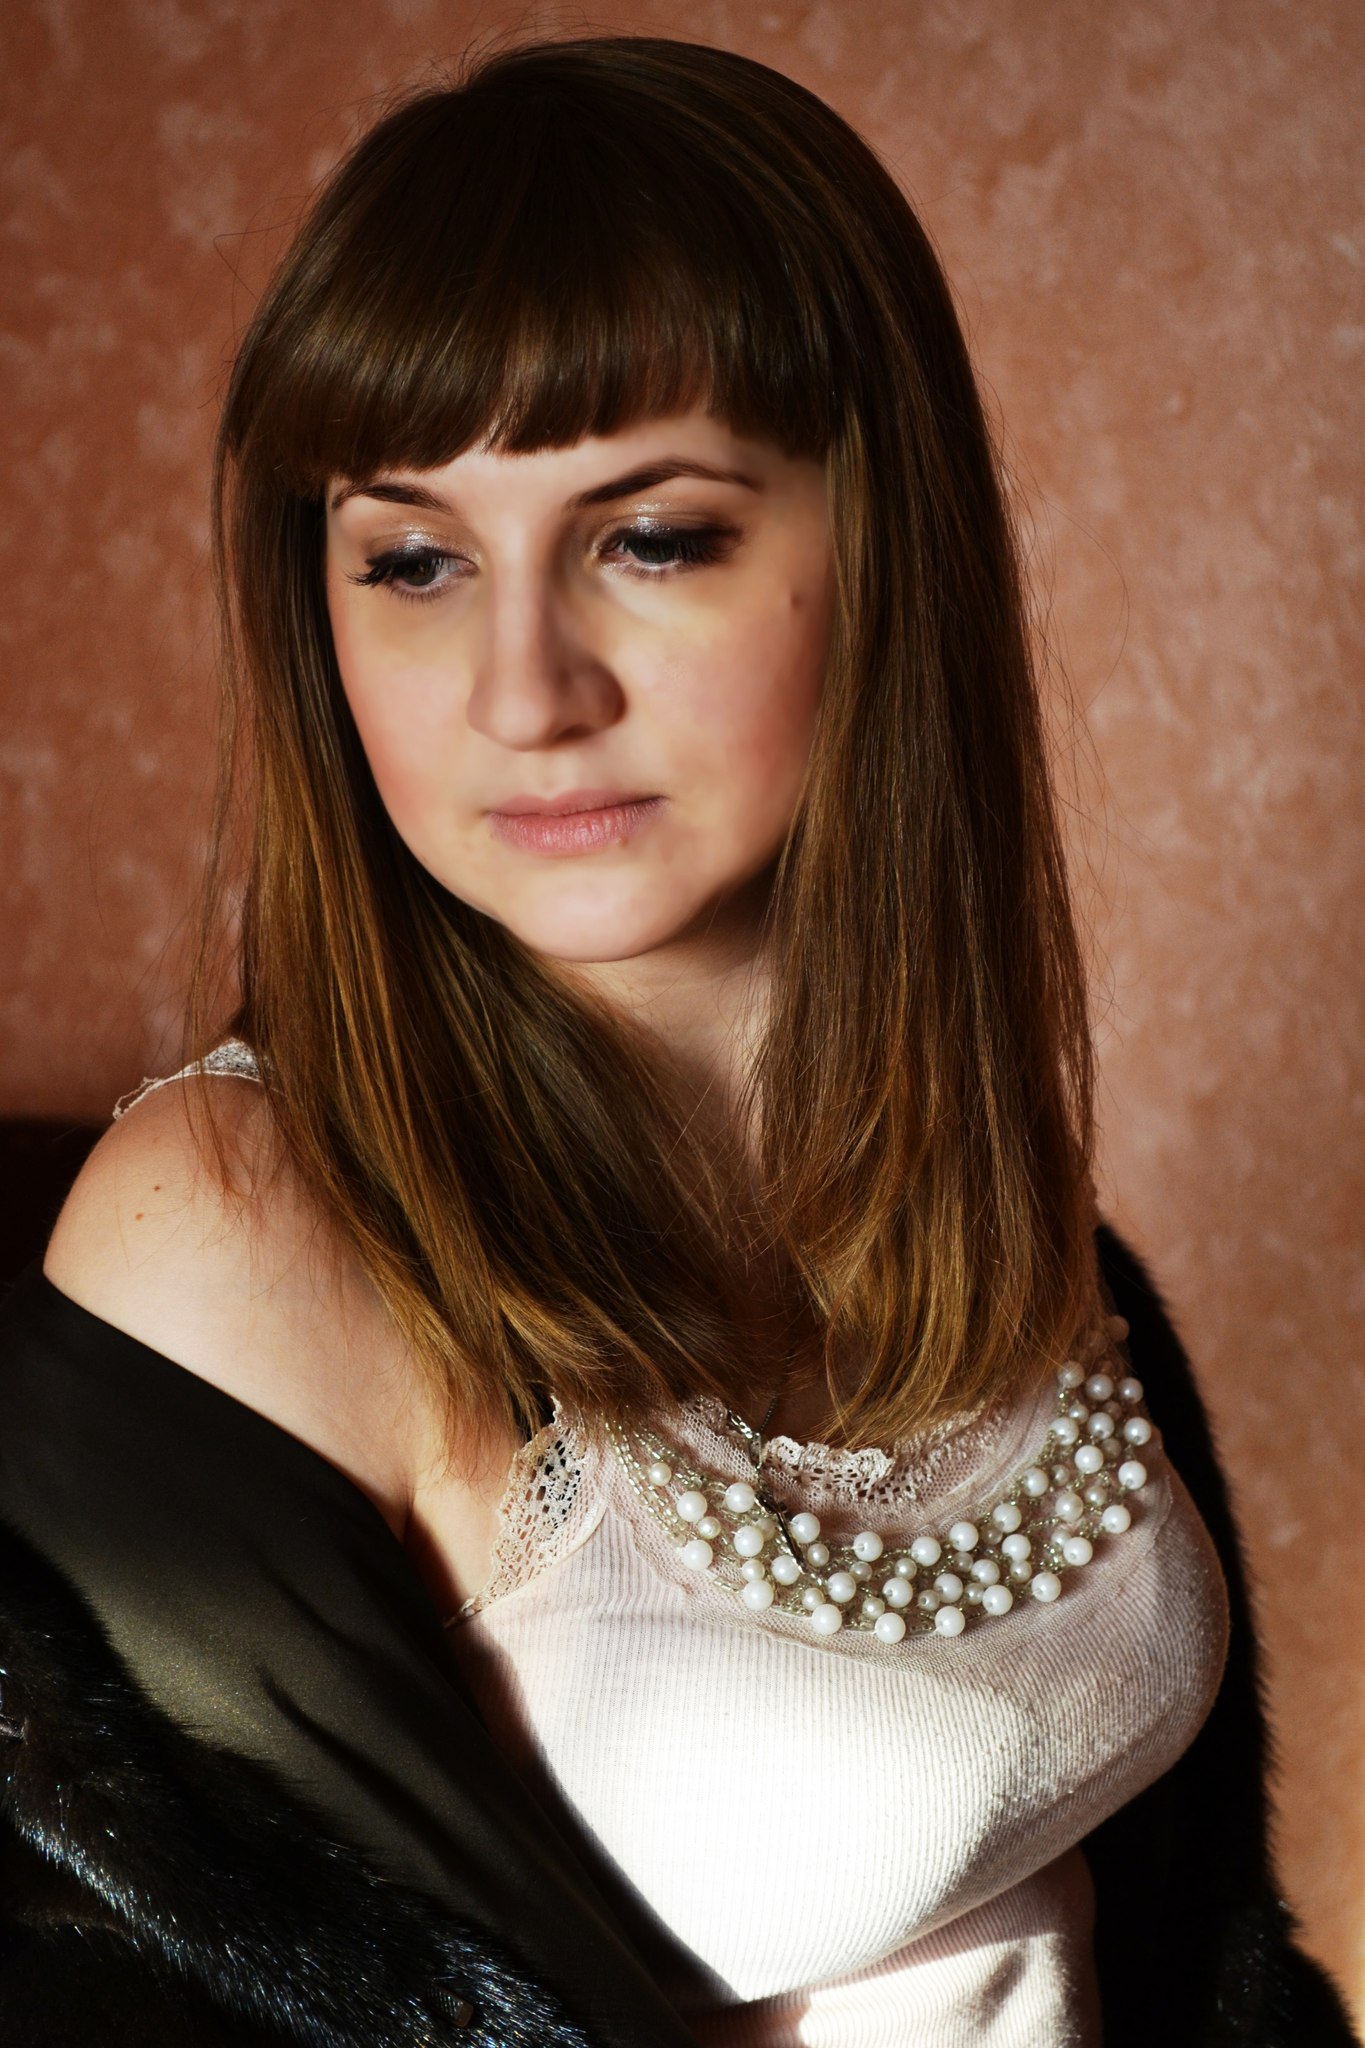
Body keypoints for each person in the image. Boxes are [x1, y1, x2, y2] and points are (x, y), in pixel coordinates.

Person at [0, 32, 1355, 2048]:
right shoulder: (235, 1226)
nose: (524, 689)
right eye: (413, 560)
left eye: (649, 538)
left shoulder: (1005, 1232)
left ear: (880, 549)